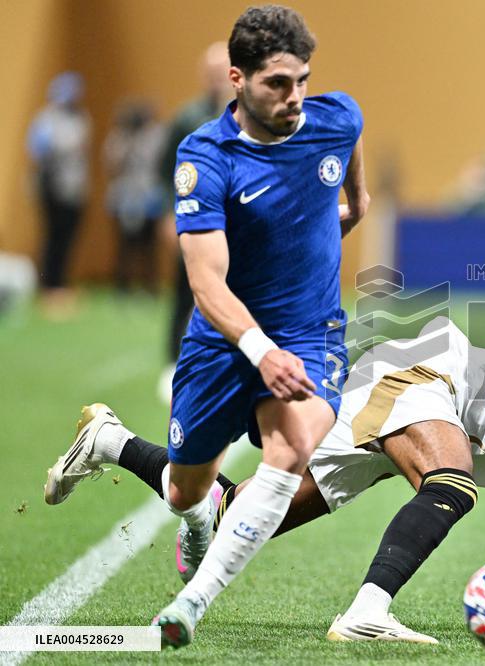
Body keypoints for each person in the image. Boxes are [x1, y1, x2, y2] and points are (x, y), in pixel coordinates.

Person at [45, 317, 485, 644]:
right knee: (452, 484)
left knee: (239, 517)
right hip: (426, 377)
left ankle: (108, 441)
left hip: (418, 396)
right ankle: (367, 612)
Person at [44, 5, 368, 648]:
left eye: (302, 80)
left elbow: (350, 156)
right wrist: (261, 350)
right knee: (185, 490)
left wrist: (353, 206)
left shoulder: (336, 117)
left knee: (292, 448)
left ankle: (189, 605)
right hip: (223, 343)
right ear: (237, 79)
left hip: (311, 335)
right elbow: (206, 284)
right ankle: (113, 445)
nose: (295, 96)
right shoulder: (206, 156)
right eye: (278, 83)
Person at [157, 41, 233, 403]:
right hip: (193, 220)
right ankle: (173, 362)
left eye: (223, 72)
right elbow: (164, 171)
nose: (218, 79)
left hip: (234, 224)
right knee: (184, 290)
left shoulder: (246, 117)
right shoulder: (187, 118)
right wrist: (167, 214)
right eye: (212, 72)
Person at [26, 71, 91, 318]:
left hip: (74, 189)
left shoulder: (80, 118)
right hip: (53, 188)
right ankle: (49, 286)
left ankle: (61, 284)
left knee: (68, 238)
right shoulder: (46, 119)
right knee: (53, 237)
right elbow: (39, 151)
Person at [103, 100, 166, 293]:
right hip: (124, 195)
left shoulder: (157, 135)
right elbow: (111, 164)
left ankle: (149, 284)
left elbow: (162, 163)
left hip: (149, 195)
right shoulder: (119, 136)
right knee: (125, 243)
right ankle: (122, 284)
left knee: (149, 244)